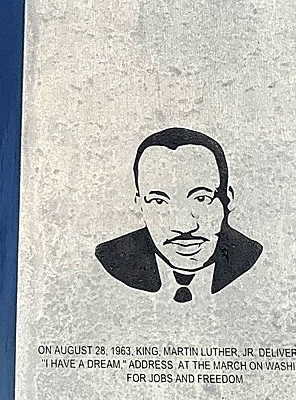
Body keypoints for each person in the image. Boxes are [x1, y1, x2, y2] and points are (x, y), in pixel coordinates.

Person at [95, 127, 262, 302]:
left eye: (201, 199)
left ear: (228, 199)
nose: (184, 226)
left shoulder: (247, 258)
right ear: (140, 205)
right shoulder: (115, 258)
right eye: (159, 201)